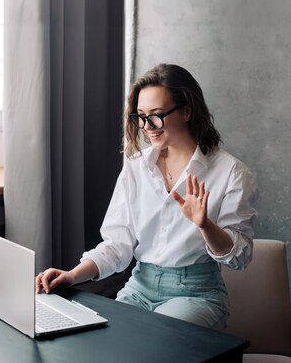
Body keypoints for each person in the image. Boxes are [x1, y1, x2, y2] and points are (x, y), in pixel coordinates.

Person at [36, 63, 258, 329]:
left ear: (187, 111)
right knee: (104, 343)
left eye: (156, 115)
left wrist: (205, 225)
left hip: (196, 293)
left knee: (156, 344)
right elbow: (118, 244)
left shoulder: (230, 172)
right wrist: (72, 276)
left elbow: (240, 257)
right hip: (139, 287)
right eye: (140, 116)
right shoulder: (137, 166)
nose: (147, 126)